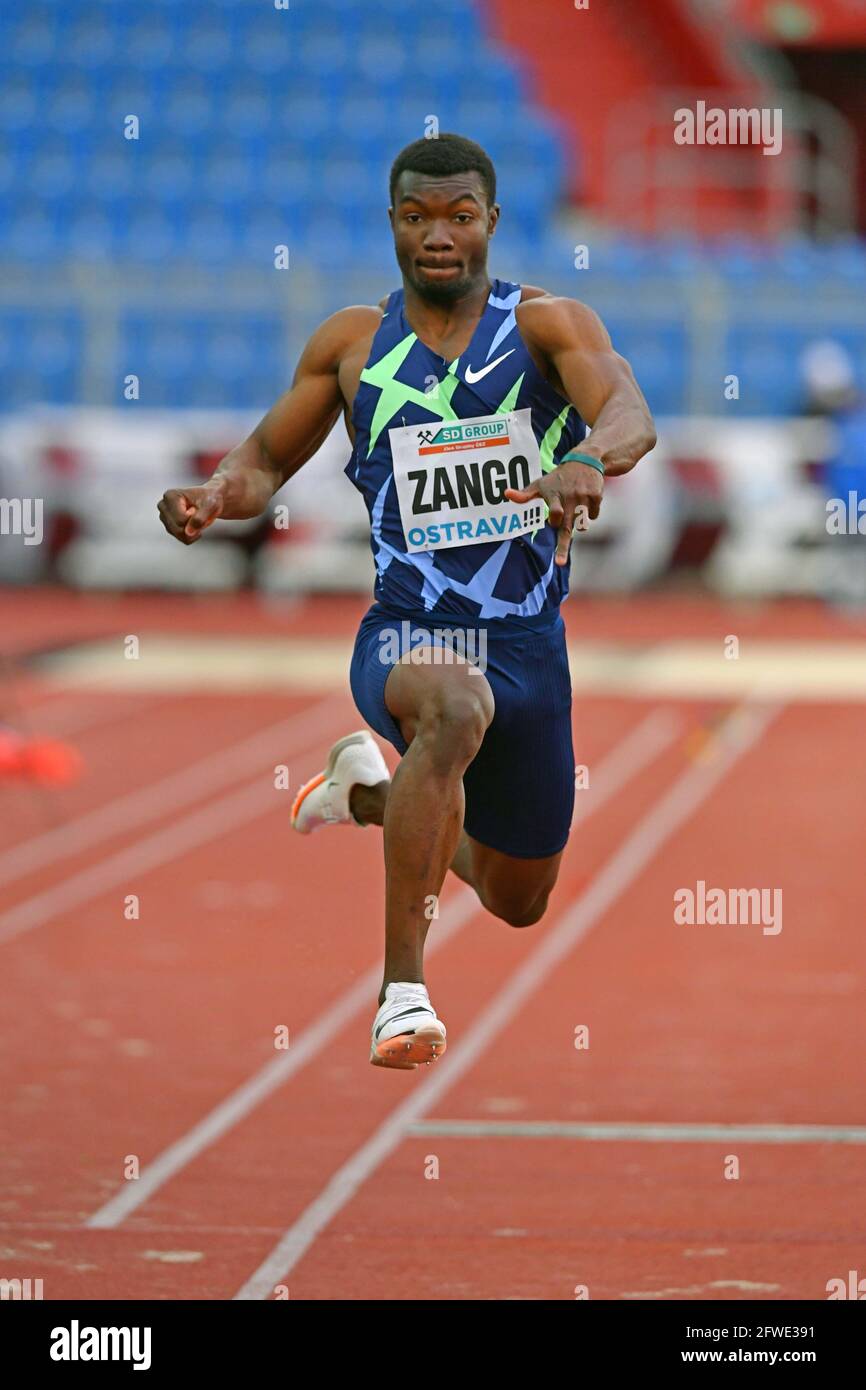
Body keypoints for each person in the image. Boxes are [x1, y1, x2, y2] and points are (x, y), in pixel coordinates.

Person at [158, 134, 656, 1069]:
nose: (439, 236)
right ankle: (402, 993)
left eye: (459, 218)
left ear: (491, 225)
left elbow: (629, 411)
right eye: (418, 218)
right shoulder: (350, 344)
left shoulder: (549, 326)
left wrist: (588, 457)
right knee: (453, 705)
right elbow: (266, 461)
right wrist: (217, 494)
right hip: (405, 633)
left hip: (528, 646)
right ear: (393, 222)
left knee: (519, 900)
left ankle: (372, 796)